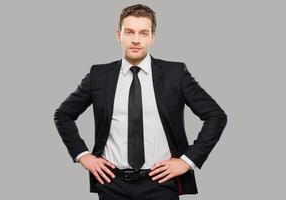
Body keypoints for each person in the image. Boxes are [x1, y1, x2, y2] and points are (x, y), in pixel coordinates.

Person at [54, 4, 227, 200]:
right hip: (111, 183)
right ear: (118, 35)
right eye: (129, 32)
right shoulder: (99, 75)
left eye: (143, 33)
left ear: (153, 36)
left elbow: (216, 116)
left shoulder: (175, 74)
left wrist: (187, 161)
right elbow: (63, 115)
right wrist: (83, 155)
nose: (136, 40)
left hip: (160, 182)